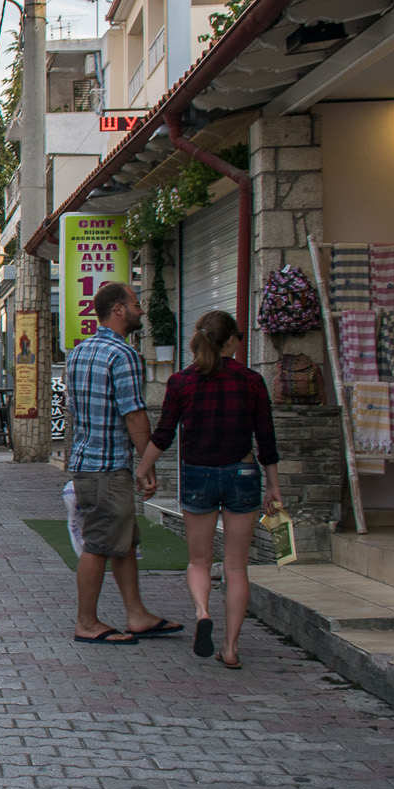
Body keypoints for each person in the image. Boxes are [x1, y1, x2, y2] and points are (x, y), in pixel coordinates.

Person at [135, 311, 282, 669]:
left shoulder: (182, 382)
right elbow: (266, 439)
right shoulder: (251, 381)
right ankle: (230, 648)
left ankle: (203, 613)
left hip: (198, 475)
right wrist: (274, 486)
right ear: (231, 340)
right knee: (235, 567)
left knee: (199, 560)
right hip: (243, 474)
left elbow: (164, 434)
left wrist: (143, 469)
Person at [65, 281, 181, 645]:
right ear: (118, 308)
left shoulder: (79, 352)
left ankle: (137, 613)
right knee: (99, 543)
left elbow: (73, 411)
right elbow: (134, 415)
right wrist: (148, 465)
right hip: (108, 465)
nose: (141, 309)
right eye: (135, 302)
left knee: (124, 540)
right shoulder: (123, 355)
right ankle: (86, 622)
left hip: (85, 460)